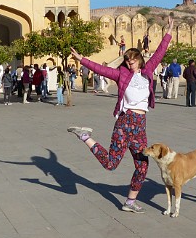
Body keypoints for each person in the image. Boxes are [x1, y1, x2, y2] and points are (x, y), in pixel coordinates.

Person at [67, 17, 174, 214]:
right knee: (110, 164)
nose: (130, 62)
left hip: (140, 125)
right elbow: (101, 69)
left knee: (142, 166)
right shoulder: (121, 74)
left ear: (139, 59)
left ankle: (129, 202)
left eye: (133, 59)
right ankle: (84, 136)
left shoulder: (147, 71)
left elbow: (160, 53)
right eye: (127, 60)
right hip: (125, 123)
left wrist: (168, 31)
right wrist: (82, 59)